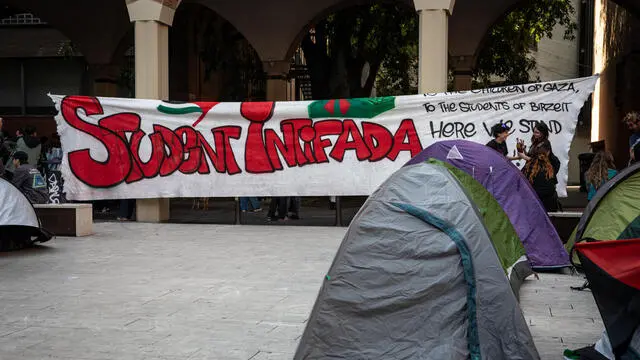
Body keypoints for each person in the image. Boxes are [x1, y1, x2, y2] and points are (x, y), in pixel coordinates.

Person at [521, 141, 559, 212]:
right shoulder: (550, 168)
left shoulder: (528, 167)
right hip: (549, 205)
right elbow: (553, 186)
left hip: (533, 203)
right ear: (548, 153)